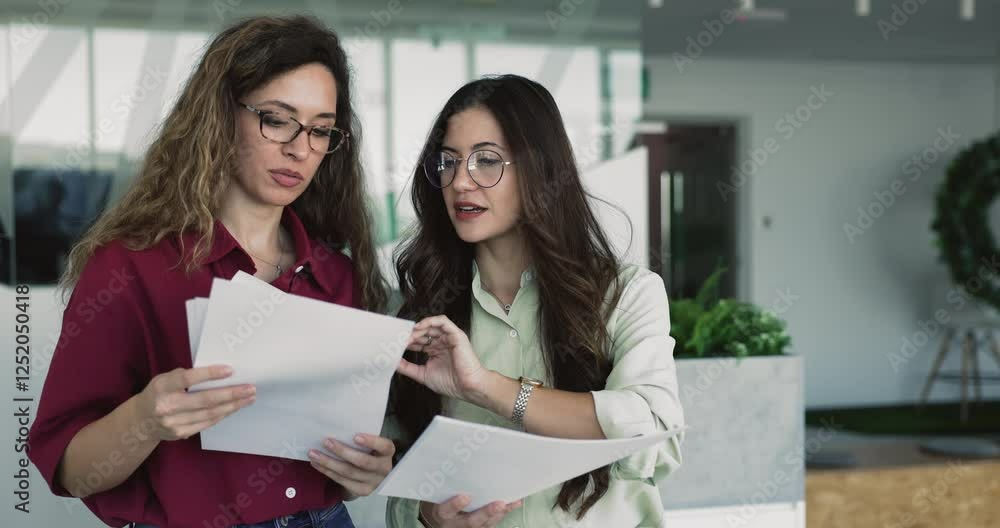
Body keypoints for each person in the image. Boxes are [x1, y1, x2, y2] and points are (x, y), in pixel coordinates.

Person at [28, 15, 394, 528]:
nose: (300, 148)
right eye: (276, 119)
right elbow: (68, 469)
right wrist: (145, 420)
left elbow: (339, 465)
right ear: (221, 116)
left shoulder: (338, 276)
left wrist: (364, 472)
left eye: (321, 130)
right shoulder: (131, 267)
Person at [386, 74, 685, 527]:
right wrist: (427, 516)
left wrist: (486, 387)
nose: (461, 182)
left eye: (487, 160)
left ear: (539, 168)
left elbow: (653, 436)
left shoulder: (626, 294)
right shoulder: (425, 312)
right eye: (448, 161)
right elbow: (402, 482)